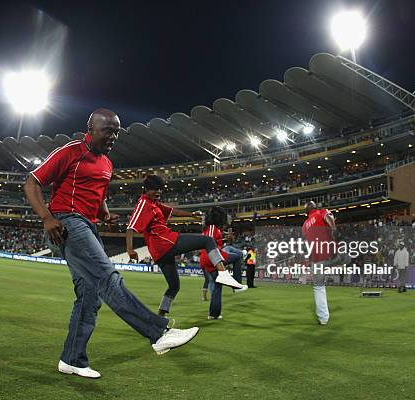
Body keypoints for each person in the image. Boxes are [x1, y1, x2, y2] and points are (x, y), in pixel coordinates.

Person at [24, 109, 199, 379]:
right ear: (91, 129)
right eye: (108, 130)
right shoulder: (70, 152)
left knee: (89, 297)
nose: (114, 136)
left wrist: (104, 214)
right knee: (108, 276)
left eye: (117, 131)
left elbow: (98, 194)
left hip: (89, 225)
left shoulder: (106, 163)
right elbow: (32, 182)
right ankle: (158, 333)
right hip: (66, 221)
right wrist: (46, 217)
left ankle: (72, 359)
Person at [126, 175, 244, 316]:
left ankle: (160, 319)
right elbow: (130, 227)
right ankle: (223, 274)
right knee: (207, 241)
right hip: (165, 242)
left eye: (160, 189)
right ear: (146, 189)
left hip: (160, 252)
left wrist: (191, 215)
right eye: (155, 189)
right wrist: (129, 249)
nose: (158, 192)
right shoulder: (143, 203)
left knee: (174, 286)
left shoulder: (154, 203)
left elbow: (173, 211)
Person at [200, 206, 248, 320]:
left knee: (217, 285)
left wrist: (225, 238)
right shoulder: (212, 228)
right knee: (236, 257)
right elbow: (209, 241)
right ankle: (236, 285)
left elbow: (214, 240)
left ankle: (214, 314)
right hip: (213, 257)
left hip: (210, 257)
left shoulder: (212, 228)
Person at [301, 201, 336, 325]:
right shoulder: (321, 212)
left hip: (316, 257)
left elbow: (306, 242)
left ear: (306, 212)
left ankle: (323, 318)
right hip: (330, 253)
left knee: (318, 287)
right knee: (347, 259)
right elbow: (329, 217)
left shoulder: (305, 224)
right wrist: (333, 228)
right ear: (315, 207)